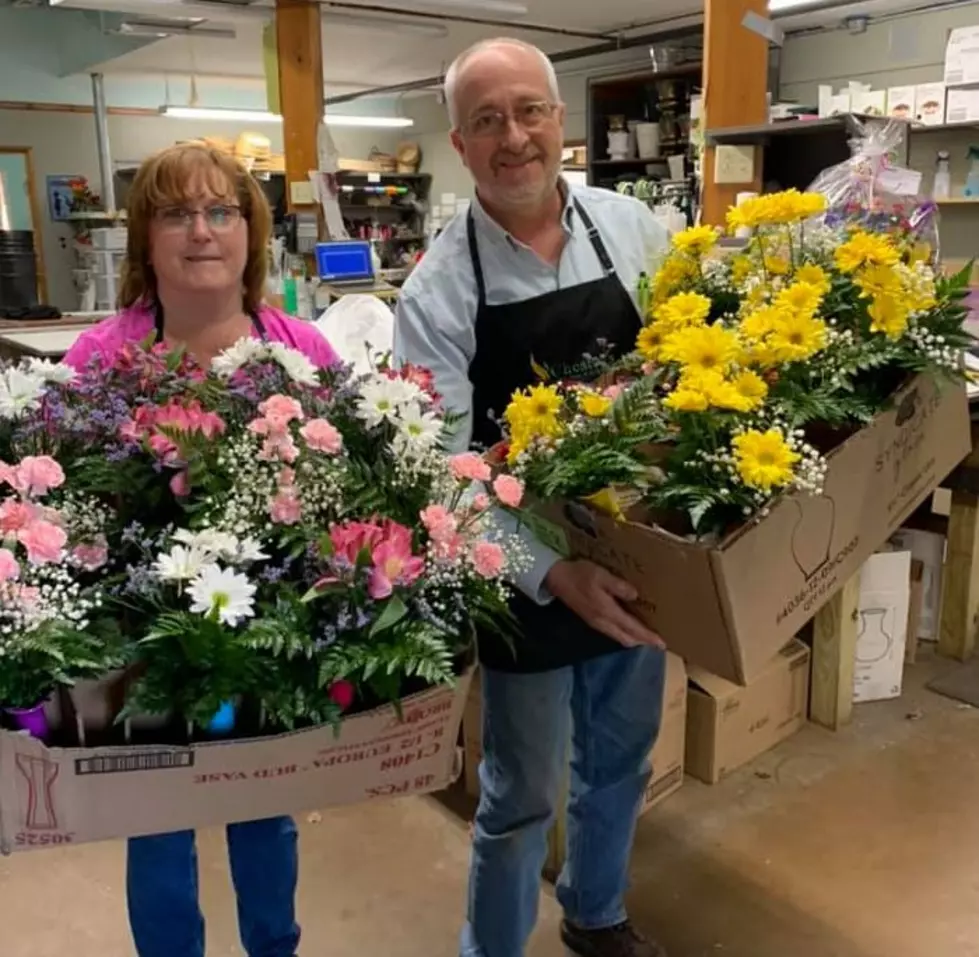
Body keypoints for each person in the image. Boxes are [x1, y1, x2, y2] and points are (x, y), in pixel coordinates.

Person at [394, 38, 671, 957]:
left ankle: (596, 913)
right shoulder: (436, 293)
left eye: (529, 112)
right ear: (459, 145)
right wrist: (554, 573)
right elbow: (441, 479)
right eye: (486, 121)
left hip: (639, 554)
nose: (513, 137)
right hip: (521, 575)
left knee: (622, 759)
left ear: (561, 121)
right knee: (518, 797)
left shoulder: (633, 228)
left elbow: (684, 373)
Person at [63, 143, 339, 957]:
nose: (201, 231)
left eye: (221, 211)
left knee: (265, 815)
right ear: (145, 239)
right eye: (176, 213)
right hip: (141, 647)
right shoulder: (98, 360)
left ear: (251, 233)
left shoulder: (304, 350)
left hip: (267, 639)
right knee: (155, 827)